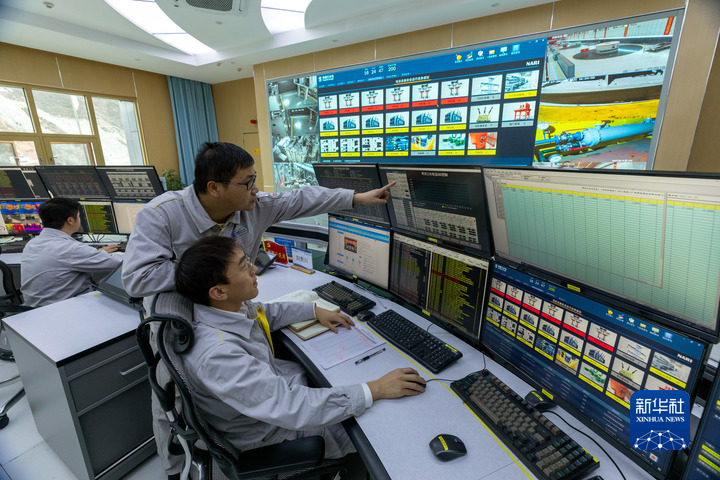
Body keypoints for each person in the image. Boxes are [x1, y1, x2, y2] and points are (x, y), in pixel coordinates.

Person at [121, 141, 395, 478]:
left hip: (220, 312)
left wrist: (355, 198)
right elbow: (136, 279)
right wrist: (205, 272)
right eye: (247, 182)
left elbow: (299, 199)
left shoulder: (250, 209)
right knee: (176, 403)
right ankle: (177, 470)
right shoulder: (162, 215)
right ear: (214, 188)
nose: (256, 189)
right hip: (190, 327)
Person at [173, 236, 425, 458]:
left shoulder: (224, 308)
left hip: (276, 400)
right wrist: (376, 388)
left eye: (248, 260)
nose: (255, 268)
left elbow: (265, 312)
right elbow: (291, 407)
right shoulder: (219, 355)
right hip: (275, 434)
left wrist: (313, 310)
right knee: (385, 424)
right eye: (244, 267)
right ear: (218, 292)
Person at [20, 197, 122, 308]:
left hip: (35, 309)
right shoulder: (72, 249)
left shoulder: (32, 243)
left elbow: (64, 258)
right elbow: (120, 263)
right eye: (78, 216)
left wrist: (96, 253)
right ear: (70, 220)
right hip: (63, 309)